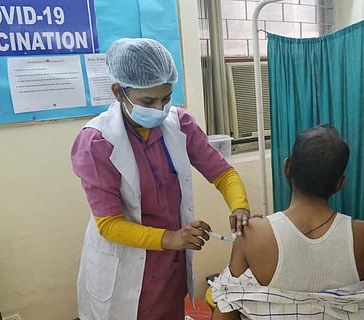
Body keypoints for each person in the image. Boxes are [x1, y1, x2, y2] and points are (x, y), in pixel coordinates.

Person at [71, 38, 251, 320]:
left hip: (169, 262)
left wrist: (239, 205)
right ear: (119, 92)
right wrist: (171, 238)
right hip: (124, 263)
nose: (159, 108)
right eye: (148, 101)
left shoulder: (181, 125)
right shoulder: (97, 142)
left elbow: (222, 172)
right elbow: (108, 224)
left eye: (166, 98)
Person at [210, 124, 364, 320]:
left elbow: (225, 310)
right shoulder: (361, 235)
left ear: (287, 168)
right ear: (340, 183)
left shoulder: (254, 235)